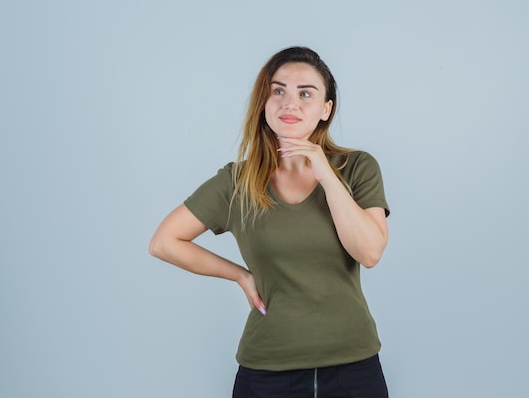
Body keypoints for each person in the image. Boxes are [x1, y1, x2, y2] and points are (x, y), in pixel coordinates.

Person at [149, 46, 390, 398]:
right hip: (267, 373)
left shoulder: (357, 168)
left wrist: (324, 172)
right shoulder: (237, 181)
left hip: (353, 369)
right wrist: (241, 275)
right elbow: (163, 242)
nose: (290, 103)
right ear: (264, 102)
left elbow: (369, 252)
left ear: (326, 110)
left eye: (305, 93)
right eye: (278, 91)